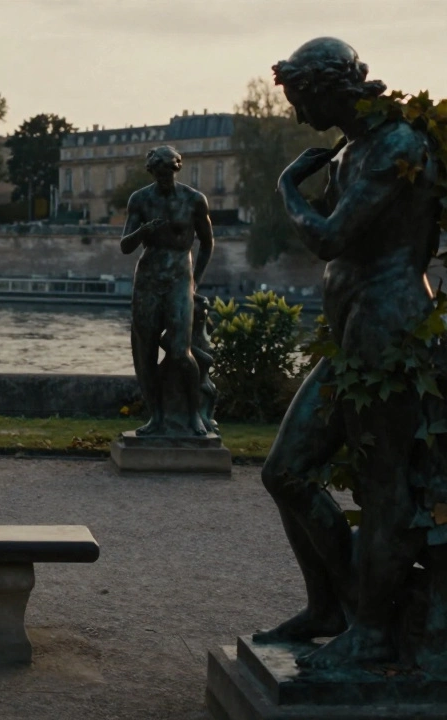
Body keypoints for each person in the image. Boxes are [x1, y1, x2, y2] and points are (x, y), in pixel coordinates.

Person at [256, 37, 445, 670]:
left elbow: (331, 238)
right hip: (353, 335)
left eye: (298, 99)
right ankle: (330, 606)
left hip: (390, 331)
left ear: (324, 89)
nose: (296, 113)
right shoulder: (352, 150)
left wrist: (287, 187)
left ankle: (371, 631)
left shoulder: (397, 145)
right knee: (285, 472)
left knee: (383, 484)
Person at [120, 145, 215, 437]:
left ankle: (194, 414)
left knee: (180, 351)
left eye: (167, 173)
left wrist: (194, 282)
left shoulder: (194, 200)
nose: (163, 179)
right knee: (145, 352)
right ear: (151, 172)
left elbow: (207, 243)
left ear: (176, 169)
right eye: (158, 174)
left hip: (179, 278)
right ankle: (156, 417)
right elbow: (125, 246)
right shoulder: (140, 199)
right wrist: (142, 232)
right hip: (147, 280)